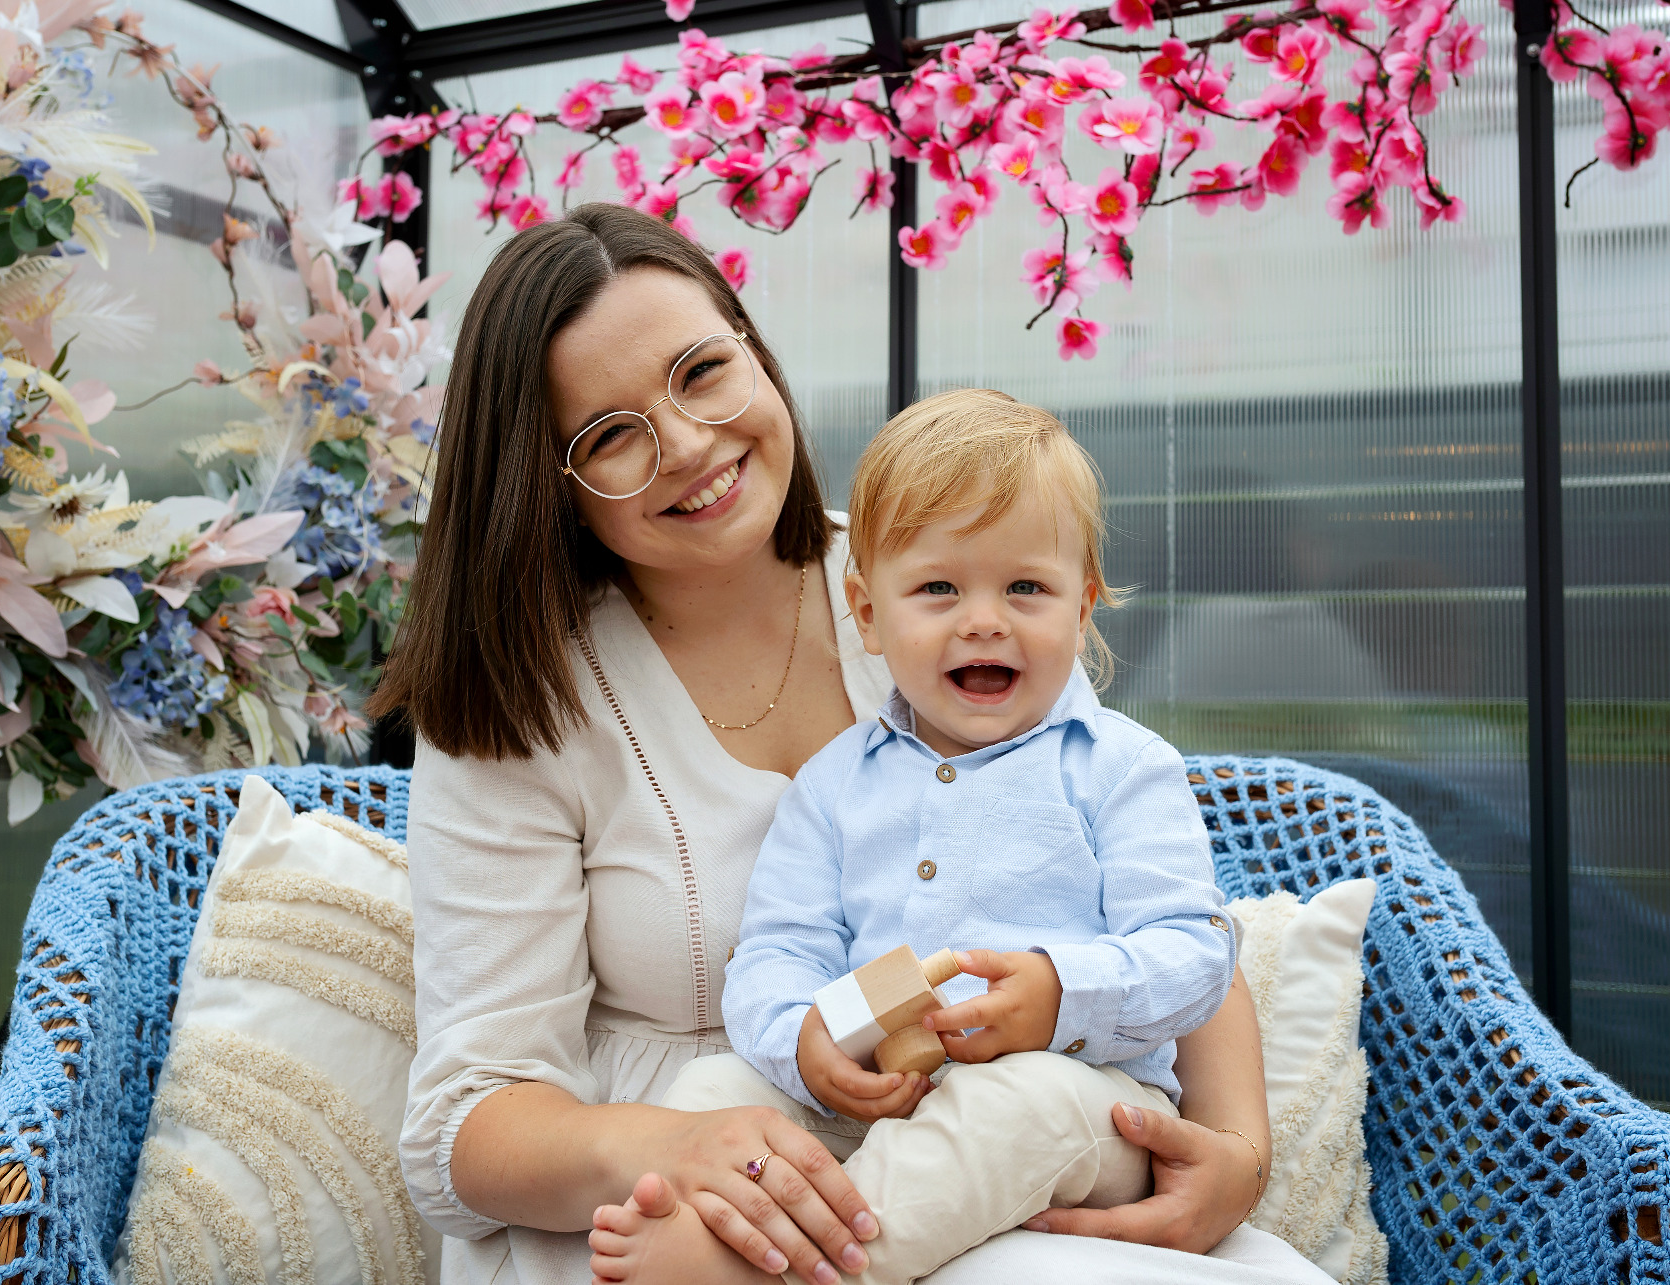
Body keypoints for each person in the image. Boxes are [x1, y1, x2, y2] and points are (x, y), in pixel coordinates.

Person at [380, 202, 1332, 1285]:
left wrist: (1239, 1161)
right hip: (677, 1203)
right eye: (608, 436)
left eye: (701, 372)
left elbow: (1146, 891)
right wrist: (666, 1145)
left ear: (752, 347)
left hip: (990, 1148)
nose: (689, 446)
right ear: (548, 483)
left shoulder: (939, 573)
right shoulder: (517, 696)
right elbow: (456, 1126)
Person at [587, 390, 1242, 1285]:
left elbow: (1194, 951)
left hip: (1083, 1104)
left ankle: (789, 1270)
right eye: (938, 588)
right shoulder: (833, 787)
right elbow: (779, 950)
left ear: (1083, 605)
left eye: (1026, 587)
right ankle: (741, 1232)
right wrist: (806, 1045)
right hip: (882, 1099)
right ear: (866, 612)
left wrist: (1063, 992)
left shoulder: (1120, 766)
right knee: (713, 1097)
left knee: (1017, 1108)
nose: (983, 619)